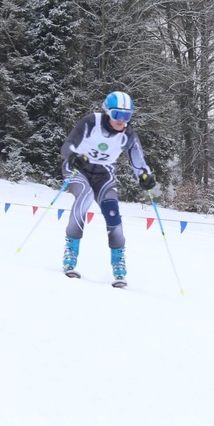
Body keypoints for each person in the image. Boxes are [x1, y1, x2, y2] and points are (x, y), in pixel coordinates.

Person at [60, 91, 156, 286]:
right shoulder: (90, 122)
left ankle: (118, 264)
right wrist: (73, 156)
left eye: (127, 116)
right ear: (107, 113)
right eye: (117, 115)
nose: (122, 121)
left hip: (103, 175)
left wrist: (145, 176)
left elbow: (138, 161)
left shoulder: (128, 135)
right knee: (85, 196)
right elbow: (67, 145)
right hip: (78, 170)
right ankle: (71, 253)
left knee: (112, 210)